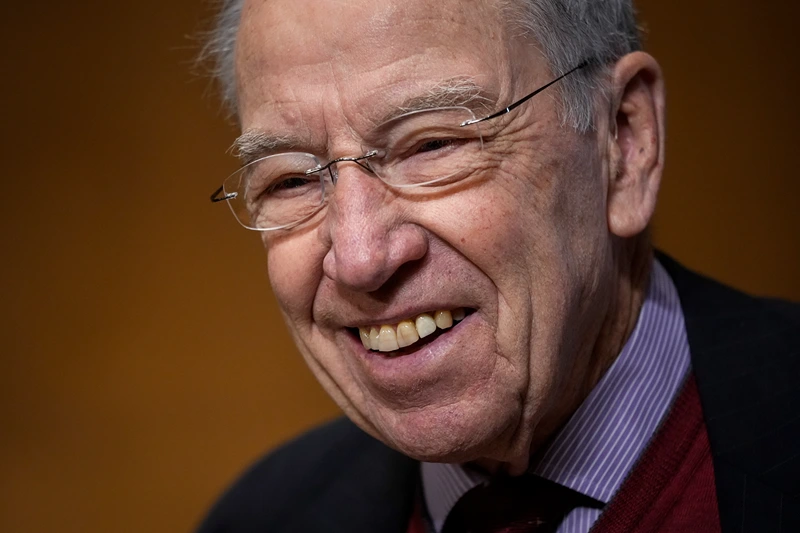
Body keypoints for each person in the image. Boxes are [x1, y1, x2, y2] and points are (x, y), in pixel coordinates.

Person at [197, 0, 800, 531]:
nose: (359, 259)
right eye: (293, 179)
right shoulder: (262, 516)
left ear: (622, 140)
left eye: (433, 144)